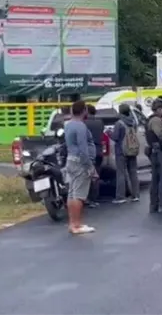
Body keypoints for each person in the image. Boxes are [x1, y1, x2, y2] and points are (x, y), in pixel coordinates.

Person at [63, 100, 97, 234]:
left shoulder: (68, 125)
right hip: (80, 162)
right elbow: (83, 149)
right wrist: (90, 167)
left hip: (70, 159)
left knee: (72, 193)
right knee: (79, 195)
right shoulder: (80, 126)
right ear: (84, 111)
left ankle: (72, 223)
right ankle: (77, 225)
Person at [110, 103, 140, 204]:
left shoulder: (119, 123)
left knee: (121, 173)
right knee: (133, 172)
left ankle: (120, 196)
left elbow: (115, 137)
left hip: (121, 151)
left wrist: (109, 133)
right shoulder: (133, 121)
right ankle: (136, 195)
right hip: (132, 149)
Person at [84, 104, 105, 206]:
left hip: (88, 151)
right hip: (99, 151)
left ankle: (87, 198)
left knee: (87, 175)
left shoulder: (84, 123)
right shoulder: (100, 122)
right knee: (96, 175)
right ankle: (95, 198)